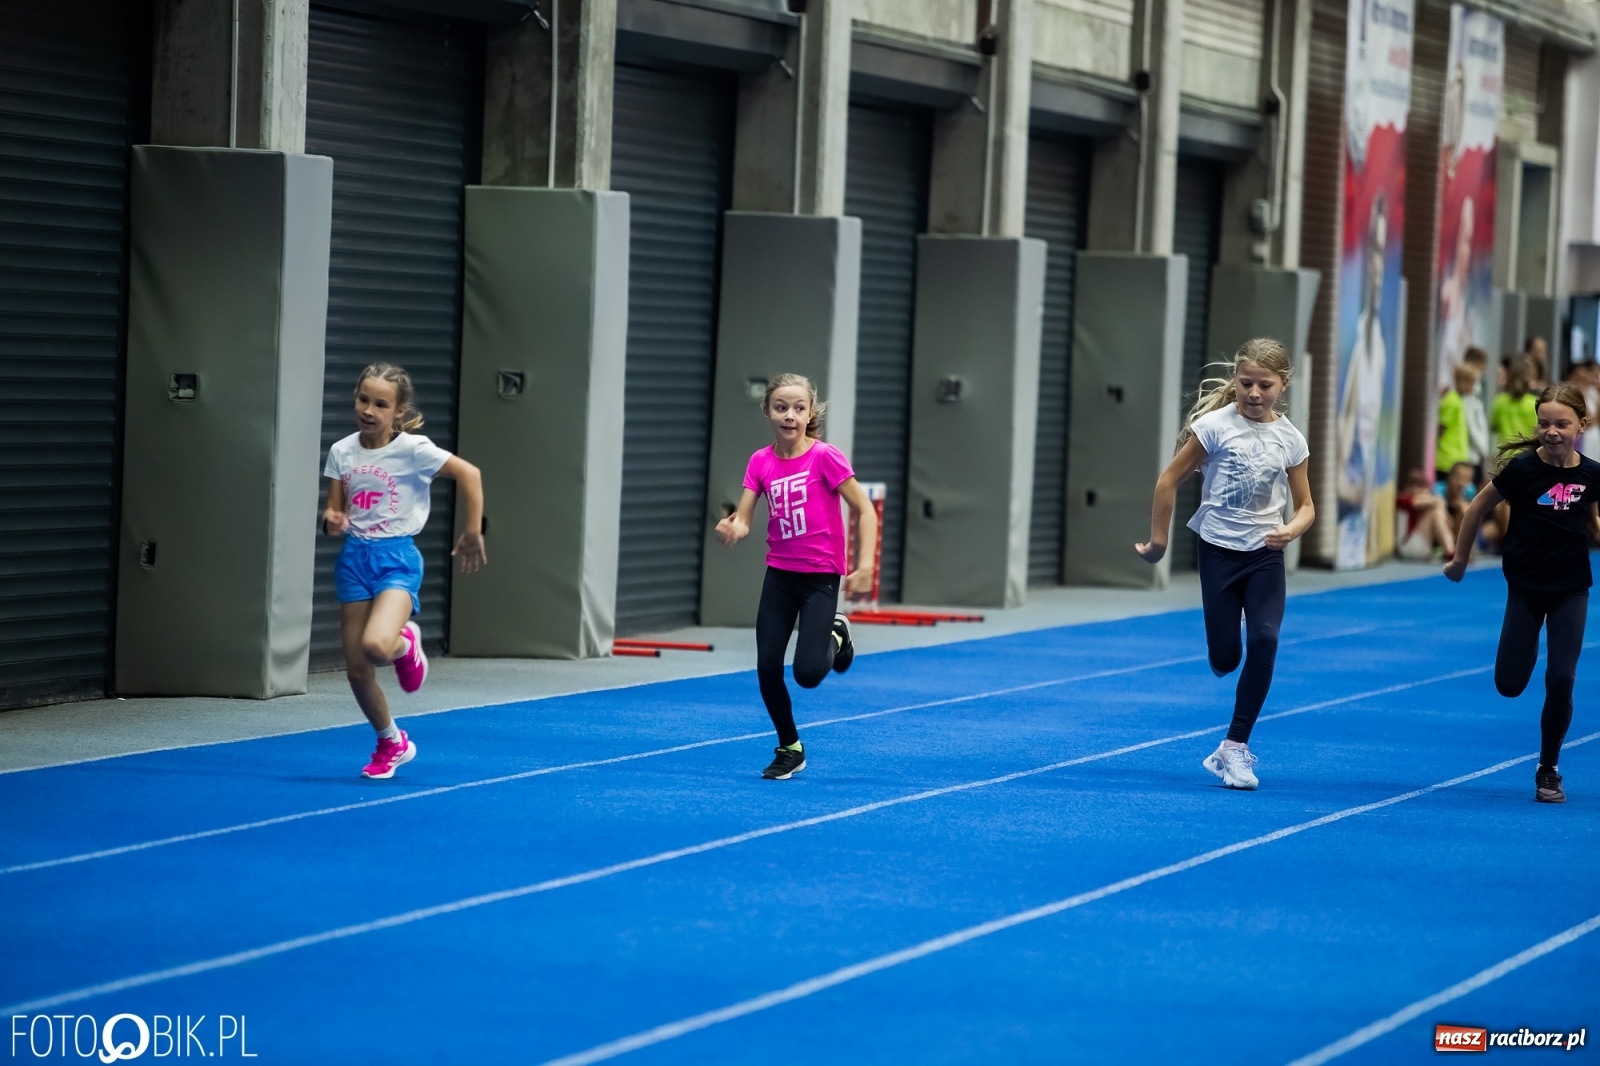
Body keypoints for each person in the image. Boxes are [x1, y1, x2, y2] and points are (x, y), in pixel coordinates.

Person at [1136, 339, 1315, 790]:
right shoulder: (1213, 427)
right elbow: (1167, 481)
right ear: (1235, 379)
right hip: (1218, 550)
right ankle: (1227, 638)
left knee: (1265, 639)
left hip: (1264, 555)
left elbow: (1307, 505)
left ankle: (1234, 749)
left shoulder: (1290, 438)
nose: (1254, 393)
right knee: (1225, 657)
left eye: (1265, 385)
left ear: (1283, 385)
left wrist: (1291, 529)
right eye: (1246, 382)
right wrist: (1159, 544)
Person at [322, 364, 486, 780]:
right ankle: (391, 741)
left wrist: (471, 531)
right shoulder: (342, 451)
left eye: (381, 404)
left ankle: (406, 642)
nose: (369, 410)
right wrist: (331, 519)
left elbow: (470, 473)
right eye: (363, 400)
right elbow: (334, 510)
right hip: (355, 560)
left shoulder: (414, 450)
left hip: (396, 559)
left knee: (378, 646)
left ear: (398, 411)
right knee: (358, 669)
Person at [714, 373, 877, 780]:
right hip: (780, 576)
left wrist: (867, 564)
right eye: (781, 407)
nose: (790, 415)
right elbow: (747, 517)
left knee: (806, 675)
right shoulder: (760, 461)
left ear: (810, 413)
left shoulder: (825, 457)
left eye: (798, 408)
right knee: (767, 666)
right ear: (768, 412)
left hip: (820, 576)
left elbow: (865, 510)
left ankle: (837, 634)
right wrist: (735, 526)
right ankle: (790, 748)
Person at [1445, 383, 1600, 804]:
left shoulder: (1592, 474)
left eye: (1562, 424)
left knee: (1562, 678)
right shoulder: (1522, 470)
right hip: (1526, 587)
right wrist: (1460, 560)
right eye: (1545, 423)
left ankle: (1548, 768)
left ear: (1581, 426)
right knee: (1509, 684)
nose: (1551, 431)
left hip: (1571, 589)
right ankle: (1524, 646)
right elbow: (1477, 507)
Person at [1335, 193, 1389, 568]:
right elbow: (1346, 419)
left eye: (1383, 252)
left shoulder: (1379, 341)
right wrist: (1341, 480)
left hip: (1365, 481)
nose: (1378, 265)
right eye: (1373, 251)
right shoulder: (1359, 335)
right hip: (1351, 481)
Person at [1396, 468, 1454, 563]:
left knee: (1437, 511)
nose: (1421, 490)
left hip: (1420, 545)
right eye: (1417, 486)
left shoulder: (1425, 503)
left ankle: (1450, 550)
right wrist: (1444, 512)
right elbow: (1425, 501)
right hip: (1407, 547)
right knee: (1436, 510)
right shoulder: (1402, 499)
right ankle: (1450, 551)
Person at [1435, 363, 1478, 482]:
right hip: (1448, 459)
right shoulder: (1452, 401)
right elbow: (1441, 428)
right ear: (1463, 381)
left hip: (1455, 457)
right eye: (1472, 383)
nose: (1473, 387)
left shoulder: (1458, 400)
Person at [1491, 357, 1539, 450]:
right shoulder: (1535, 403)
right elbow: (1536, 431)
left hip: (1504, 454)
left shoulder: (1500, 401)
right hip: (1525, 454)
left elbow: (1493, 426)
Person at [1461, 347, 1491, 480]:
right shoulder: (1469, 394)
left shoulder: (1477, 390)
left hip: (1476, 451)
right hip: (1471, 452)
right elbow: (1471, 423)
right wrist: (1482, 448)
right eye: (1482, 366)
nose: (1483, 370)